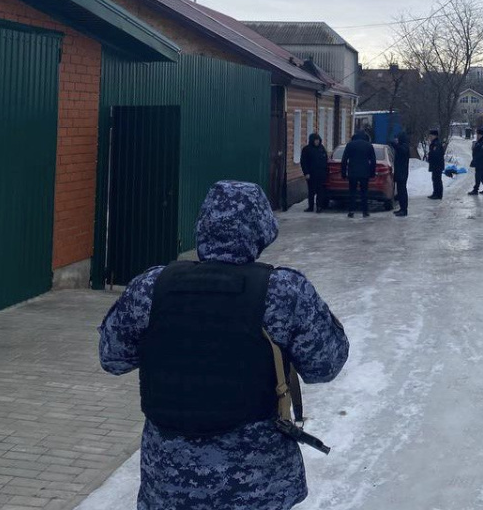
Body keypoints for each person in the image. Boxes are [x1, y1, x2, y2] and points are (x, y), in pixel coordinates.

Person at [98, 181, 349, 510]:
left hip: (169, 484)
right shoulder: (284, 291)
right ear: (260, 231)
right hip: (258, 489)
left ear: (202, 227)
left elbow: (112, 357)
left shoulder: (151, 287)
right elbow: (325, 365)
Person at [340, 131, 377, 218]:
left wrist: (343, 173)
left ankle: (351, 211)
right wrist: (372, 173)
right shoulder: (368, 145)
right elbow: (373, 161)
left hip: (352, 172)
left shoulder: (350, 145)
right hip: (365, 173)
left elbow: (344, 159)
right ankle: (365, 211)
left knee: (352, 192)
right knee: (364, 192)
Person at [299, 133, 329, 213]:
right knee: (311, 191)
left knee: (320, 191)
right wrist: (306, 173)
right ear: (312, 141)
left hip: (321, 173)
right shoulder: (306, 149)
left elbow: (325, 160)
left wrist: (326, 172)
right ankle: (310, 206)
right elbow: (303, 162)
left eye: (318, 140)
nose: (317, 142)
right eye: (315, 140)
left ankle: (319, 206)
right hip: (311, 174)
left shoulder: (322, 148)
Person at [390, 131, 411, 217]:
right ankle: (402, 209)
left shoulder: (404, 146)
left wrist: (394, 145)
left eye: (398, 139)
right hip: (400, 172)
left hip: (402, 173)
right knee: (400, 192)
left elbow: (401, 150)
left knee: (402, 192)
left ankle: (404, 210)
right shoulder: (403, 146)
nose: (396, 140)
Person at [469, 124, 483, 196]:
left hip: (481, 162)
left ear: (482, 135)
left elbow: (481, 153)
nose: (477, 136)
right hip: (478, 162)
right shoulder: (479, 142)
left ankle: (475, 190)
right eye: (477, 134)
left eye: (479, 134)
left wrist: (475, 159)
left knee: (478, 176)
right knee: (482, 176)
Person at [427, 129, 446, 199]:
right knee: (435, 179)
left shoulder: (436, 143)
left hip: (437, 165)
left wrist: (430, 154)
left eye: (431, 135)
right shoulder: (434, 143)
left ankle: (438, 194)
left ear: (435, 136)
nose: (430, 137)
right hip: (435, 165)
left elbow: (436, 154)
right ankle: (435, 193)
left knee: (437, 180)